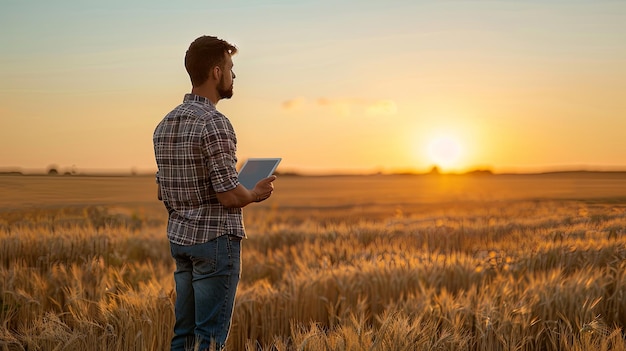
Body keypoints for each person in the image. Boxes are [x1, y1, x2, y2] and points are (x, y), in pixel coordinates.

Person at [153, 35, 276, 351]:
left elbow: (163, 189)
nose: (235, 75)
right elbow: (228, 196)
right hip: (214, 242)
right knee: (209, 340)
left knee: (184, 336)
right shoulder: (216, 123)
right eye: (231, 67)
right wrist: (254, 192)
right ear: (217, 73)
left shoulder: (164, 124)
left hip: (180, 240)